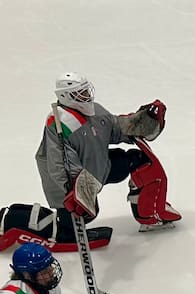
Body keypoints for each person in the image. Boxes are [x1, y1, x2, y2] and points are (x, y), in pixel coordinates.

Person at [34, 72, 179, 233]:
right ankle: (65, 228)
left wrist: (144, 121)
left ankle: (149, 215)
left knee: (140, 161)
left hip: (99, 167)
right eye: (80, 93)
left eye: (86, 91)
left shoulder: (95, 111)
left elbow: (116, 128)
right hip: (71, 187)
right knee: (78, 222)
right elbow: (58, 166)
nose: (86, 96)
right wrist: (77, 193)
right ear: (65, 96)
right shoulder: (58, 125)